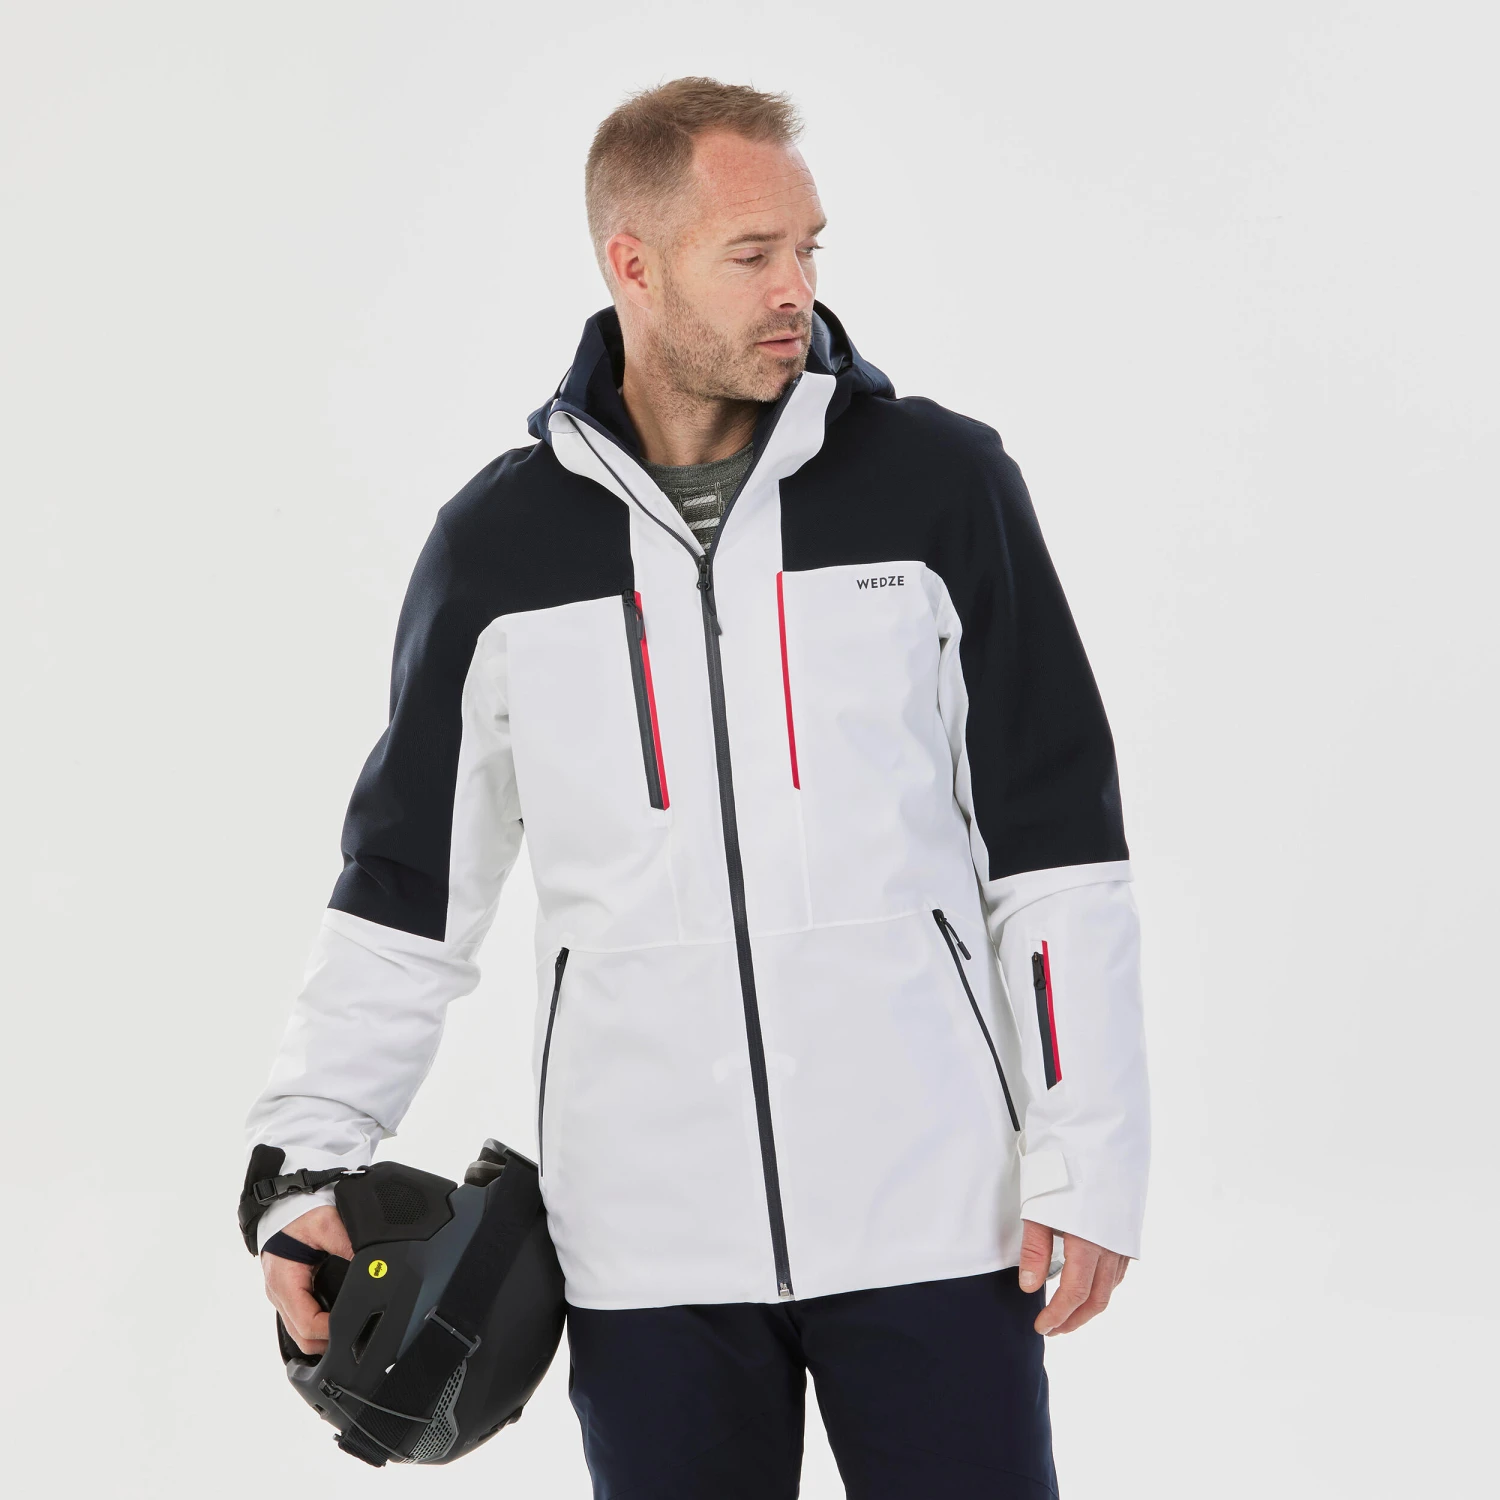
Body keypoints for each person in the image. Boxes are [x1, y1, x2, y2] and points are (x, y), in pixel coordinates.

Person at [244, 75, 1150, 1498]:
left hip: (935, 1221)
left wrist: (1087, 1155)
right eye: (752, 254)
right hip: (644, 1253)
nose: (797, 289)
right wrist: (302, 1164)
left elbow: (1057, 853)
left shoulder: (939, 486)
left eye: (809, 248)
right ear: (635, 263)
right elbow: (407, 892)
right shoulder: (497, 550)